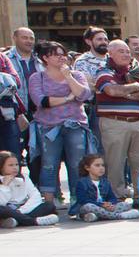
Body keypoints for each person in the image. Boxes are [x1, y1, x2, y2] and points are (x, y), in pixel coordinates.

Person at [27, 41, 95, 201]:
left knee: (76, 163)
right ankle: (51, 201)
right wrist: (67, 98)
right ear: (45, 58)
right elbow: (41, 101)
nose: (61, 57)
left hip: (75, 125)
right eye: (56, 54)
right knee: (49, 163)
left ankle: (78, 200)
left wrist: (68, 76)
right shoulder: (37, 77)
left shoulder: (76, 75)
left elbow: (83, 95)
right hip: (48, 127)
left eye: (63, 53)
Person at [91, 39, 139, 199]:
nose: (126, 54)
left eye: (127, 51)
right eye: (121, 51)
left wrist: (127, 92)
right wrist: (135, 87)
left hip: (138, 122)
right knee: (115, 163)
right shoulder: (103, 72)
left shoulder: (134, 72)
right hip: (114, 122)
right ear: (110, 54)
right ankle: (116, 197)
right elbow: (112, 90)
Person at [71, 154, 139, 221]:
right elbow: (83, 200)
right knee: (88, 206)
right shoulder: (82, 182)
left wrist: (110, 204)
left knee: (125, 204)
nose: (101, 168)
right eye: (97, 165)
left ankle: (97, 216)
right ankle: (118, 216)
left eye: (102, 165)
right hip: (91, 206)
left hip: (105, 207)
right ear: (87, 167)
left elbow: (112, 197)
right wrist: (101, 204)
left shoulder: (105, 182)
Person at [0, 150, 58, 225]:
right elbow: (2, 202)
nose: (15, 168)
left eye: (16, 164)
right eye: (10, 165)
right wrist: (5, 186)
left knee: (49, 206)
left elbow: (35, 196)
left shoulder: (24, 177)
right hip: (7, 209)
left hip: (23, 208)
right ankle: (34, 221)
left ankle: (16, 221)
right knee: (2, 209)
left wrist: (20, 211)